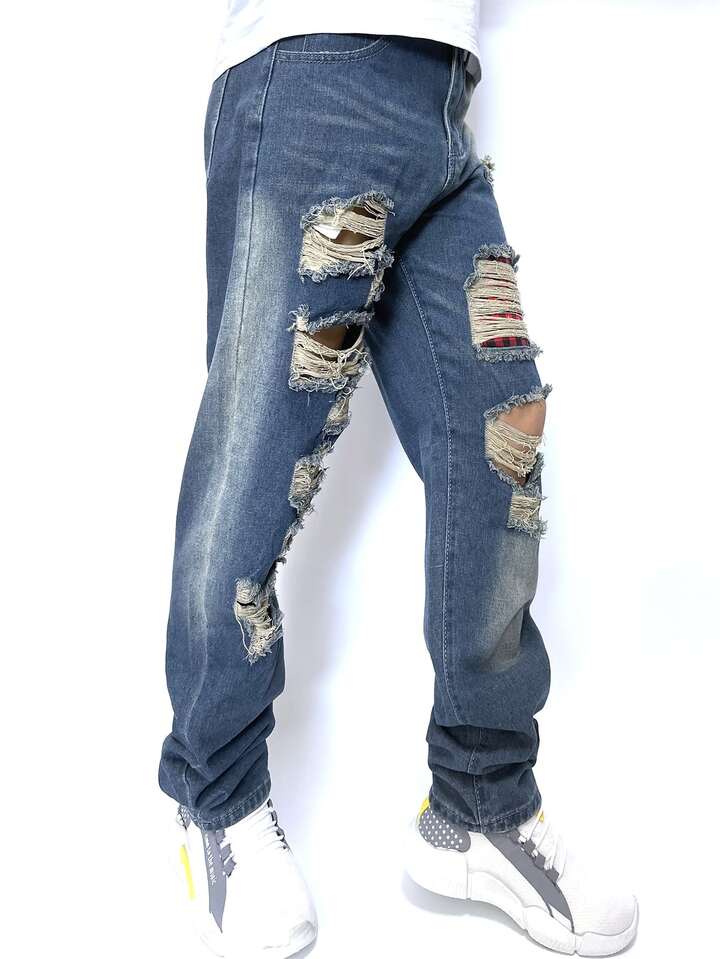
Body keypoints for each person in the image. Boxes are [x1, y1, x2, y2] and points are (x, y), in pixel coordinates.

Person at [158, 3, 639, 956]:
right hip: (313, 75)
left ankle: (480, 801)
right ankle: (215, 797)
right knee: (256, 461)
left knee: (500, 441)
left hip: (442, 100)